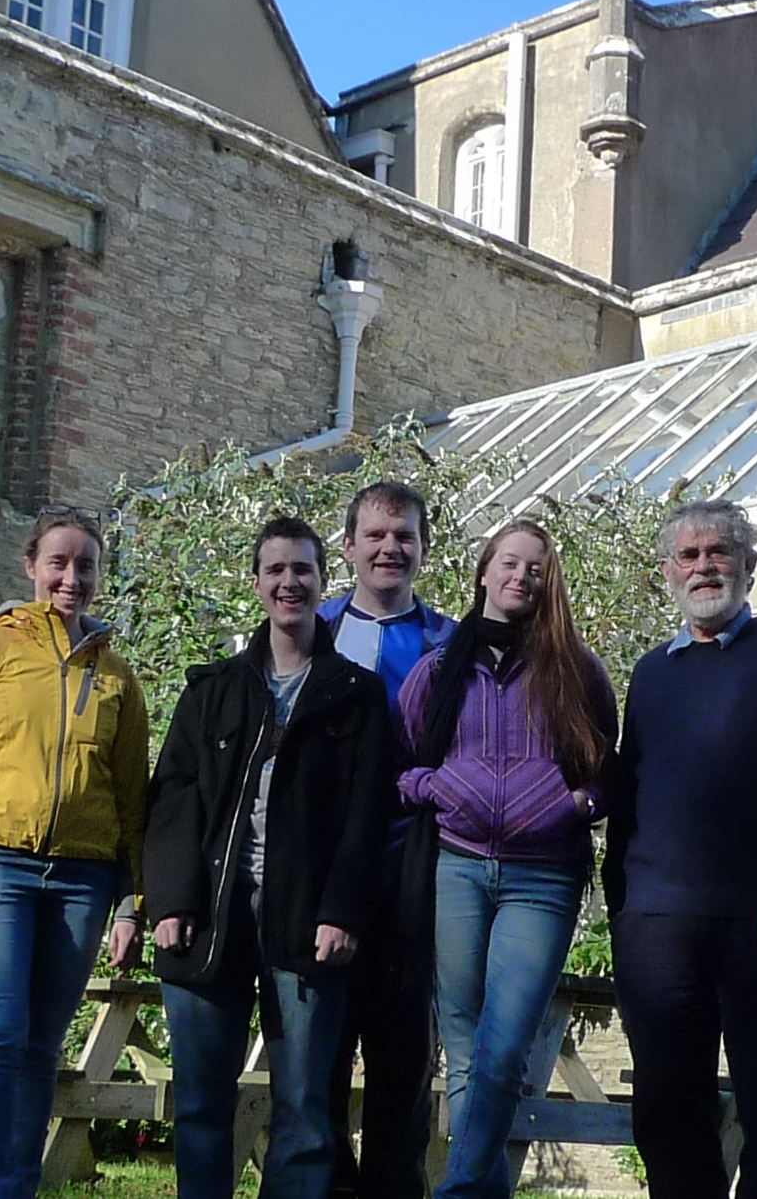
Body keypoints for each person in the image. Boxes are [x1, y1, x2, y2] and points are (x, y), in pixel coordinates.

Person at [145, 515, 394, 1199]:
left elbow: (366, 815)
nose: (290, 583)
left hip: (308, 923)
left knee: (306, 1112)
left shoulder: (356, 695)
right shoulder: (213, 690)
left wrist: (341, 911)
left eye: (302, 570)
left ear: (323, 581)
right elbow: (173, 800)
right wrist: (170, 901)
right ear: (257, 584)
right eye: (276, 570)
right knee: (201, 1103)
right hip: (209, 919)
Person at [603, 498, 757, 1199]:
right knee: (667, 1111)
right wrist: (622, 905)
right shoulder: (651, 673)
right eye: (689, 555)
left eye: (719, 552)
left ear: (748, 564)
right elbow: (631, 786)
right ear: (668, 571)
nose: (704, 567)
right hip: (656, 926)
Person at [0, 509, 149, 1199]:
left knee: (43, 1045)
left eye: (86, 566)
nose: (71, 578)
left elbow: (134, 802)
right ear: (31, 567)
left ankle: (18, 1187)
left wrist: (132, 905)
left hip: (84, 879)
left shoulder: (118, 678)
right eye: (58, 563)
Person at [396, 520, 617, 1199]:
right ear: (485, 572)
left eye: (536, 569)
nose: (522, 577)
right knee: (464, 1050)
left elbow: (608, 771)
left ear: (550, 585)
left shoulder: (576, 670)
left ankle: (458, 1192)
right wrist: (435, 786)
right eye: (510, 564)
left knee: (502, 1048)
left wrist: (573, 805)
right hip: (457, 869)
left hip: (542, 878)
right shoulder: (439, 668)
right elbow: (401, 764)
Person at [318, 481, 455, 1199]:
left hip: (410, 875)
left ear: (424, 549)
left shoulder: (449, 642)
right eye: (374, 535)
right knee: (319, 1059)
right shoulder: (311, 630)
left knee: (403, 1062)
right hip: (320, 878)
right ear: (348, 547)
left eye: (404, 536)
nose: (389, 548)